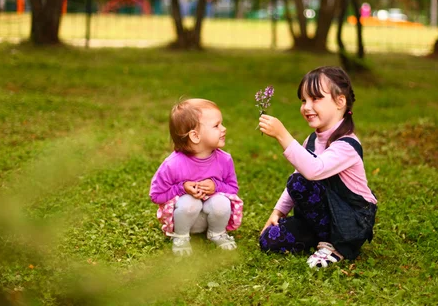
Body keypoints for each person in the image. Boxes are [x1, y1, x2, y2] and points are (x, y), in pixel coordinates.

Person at [258, 66, 377, 268]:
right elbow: (299, 172)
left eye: (316, 99)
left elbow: (313, 170)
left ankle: (338, 246)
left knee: (300, 182)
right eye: (304, 100)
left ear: (340, 101)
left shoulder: (346, 145)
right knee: (269, 239)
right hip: (319, 219)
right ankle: (319, 238)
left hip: (350, 219)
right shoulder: (312, 140)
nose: (307, 106)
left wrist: (282, 135)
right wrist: (278, 212)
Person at [150, 99, 243, 256]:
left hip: (211, 219)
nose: (224, 129)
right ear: (195, 136)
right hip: (185, 220)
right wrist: (182, 188)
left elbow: (233, 189)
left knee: (222, 201)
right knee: (189, 202)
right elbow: (156, 195)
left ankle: (217, 233)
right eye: (216, 125)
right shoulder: (173, 164)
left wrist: (216, 186)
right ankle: (180, 237)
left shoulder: (224, 160)